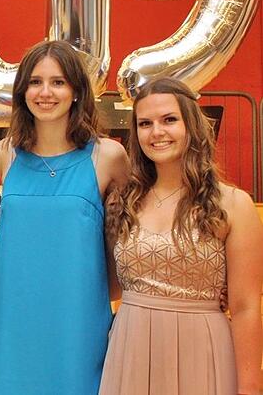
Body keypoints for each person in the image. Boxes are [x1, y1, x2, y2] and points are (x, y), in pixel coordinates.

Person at [0, 41, 129, 394]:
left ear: (76, 91)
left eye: (58, 82)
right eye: (35, 82)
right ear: (22, 92)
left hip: (77, 322)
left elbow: (127, 238)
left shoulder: (107, 156)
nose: (45, 92)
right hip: (13, 323)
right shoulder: (6, 154)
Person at [99, 77, 262, 395]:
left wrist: (250, 388)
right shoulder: (122, 201)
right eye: (145, 123)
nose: (156, 132)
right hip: (130, 349)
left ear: (192, 125)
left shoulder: (232, 204)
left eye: (169, 120)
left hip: (202, 349)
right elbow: (108, 287)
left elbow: (244, 306)